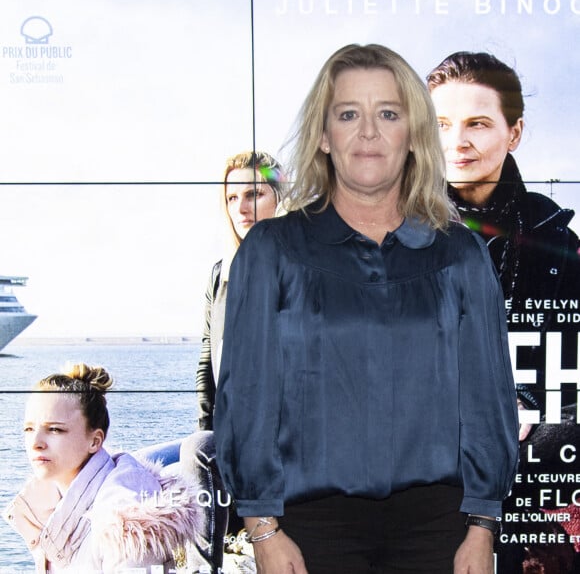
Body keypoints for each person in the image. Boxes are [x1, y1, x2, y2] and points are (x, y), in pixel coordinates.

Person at [214, 43, 519, 574]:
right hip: (308, 533)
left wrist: (482, 526)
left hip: (439, 533)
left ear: (413, 134)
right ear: (325, 135)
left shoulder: (460, 253)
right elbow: (246, 397)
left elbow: (488, 398)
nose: (369, 132)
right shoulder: (271, 251)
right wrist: (263, 529)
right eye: (349, 114)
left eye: (389, 114)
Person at [427, 52, 580, 414]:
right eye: (442, 125)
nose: (457, 141)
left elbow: (571, 351)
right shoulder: (386, 228)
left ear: (514, 133)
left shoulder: (554, 237)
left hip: (529, 436)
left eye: (477, 123)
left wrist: (527, 395)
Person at [181, 151, 286, 572]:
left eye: (255, 194)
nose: (241, 207)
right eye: (231, 197)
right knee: (199, 448)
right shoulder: (220, 274)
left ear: (279, 197)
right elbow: (208, 365)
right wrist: (211, 431)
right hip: (236, 437)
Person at [3, 363, 200, 573]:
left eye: (55, 429)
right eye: (29, 428)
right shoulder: (44, 505)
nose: (35, 442)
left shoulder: (126, 521)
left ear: (95, 441)